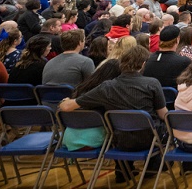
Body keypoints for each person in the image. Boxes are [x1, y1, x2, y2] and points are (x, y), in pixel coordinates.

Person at [59, 46, 166, 180]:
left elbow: (68, 107)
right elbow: (163, 114)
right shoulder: (152, 83)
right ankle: (153, 167)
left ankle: (123, 171)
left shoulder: (107, 86)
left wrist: (66, 101)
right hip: (150, 139)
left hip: (120, 140)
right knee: (163, 125)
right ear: (143, 64)